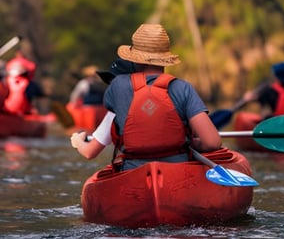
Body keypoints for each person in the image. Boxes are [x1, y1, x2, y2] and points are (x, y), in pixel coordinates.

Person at [70, 23, 221, 170]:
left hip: (132, 172)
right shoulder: (183, 88)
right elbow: (212, 143)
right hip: (177, 171)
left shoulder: (117, 87)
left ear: (134, 58)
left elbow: (92, 150)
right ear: (165, 59)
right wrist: (189, 143)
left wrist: (78, 142)